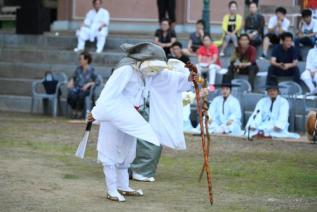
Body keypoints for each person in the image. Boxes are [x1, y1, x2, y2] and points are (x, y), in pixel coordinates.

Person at [87, 42, 198, 202]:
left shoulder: (147, 72)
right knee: (110, 150)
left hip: (132, 116)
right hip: (114, 114)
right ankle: (111, 190)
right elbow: (109, 92)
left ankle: (123, 186)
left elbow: (168, 79)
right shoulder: (126, 69)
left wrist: (188, 78)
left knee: (127, 150)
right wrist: (96, 112)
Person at [131, 59, 193, 182]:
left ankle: (142, 171)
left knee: (152, 141)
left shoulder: (165, 74)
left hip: (153, 111)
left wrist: (191, 77)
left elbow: (184, 80)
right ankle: (133, 170)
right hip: (139, 109)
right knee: (134, 141)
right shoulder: (136, 71)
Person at [67, 52, 97, 119]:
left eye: (81, 59)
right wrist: (71, 81)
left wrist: (89, 84)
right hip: (77, 88)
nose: (79, 60)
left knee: (81, 95)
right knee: (71, 93)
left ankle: (79, 112)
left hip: (86, 90)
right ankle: (74, 110)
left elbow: (97, 81)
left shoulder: (92, 70)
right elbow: (73, 77)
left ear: (86, 60)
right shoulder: (78, 69)